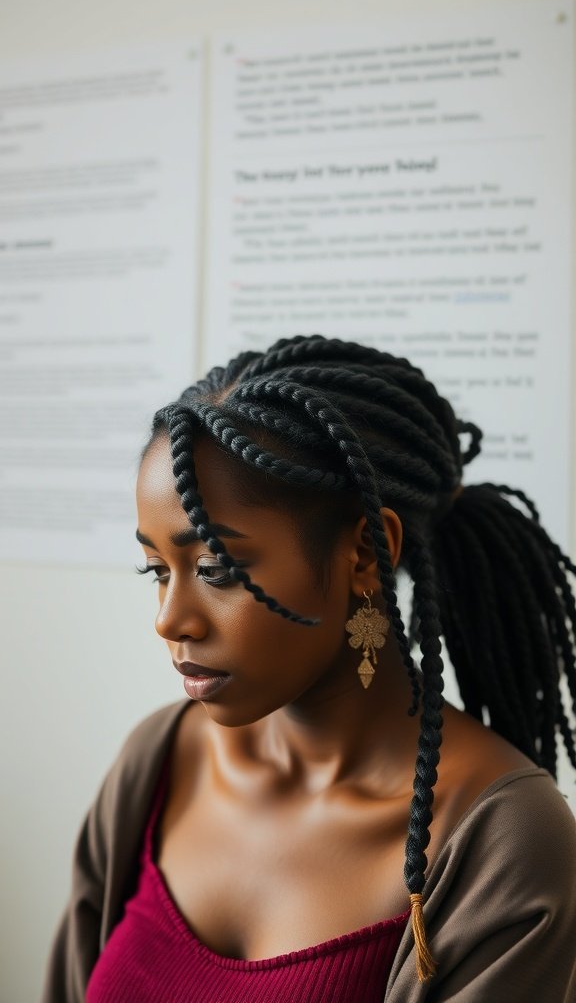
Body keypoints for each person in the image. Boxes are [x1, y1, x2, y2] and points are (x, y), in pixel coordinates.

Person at [43, 335, 576, 1002]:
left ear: (365, 553)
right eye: (156, 570)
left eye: (215, 569)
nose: (170, 620)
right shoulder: (158, 760)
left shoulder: (503, 842)